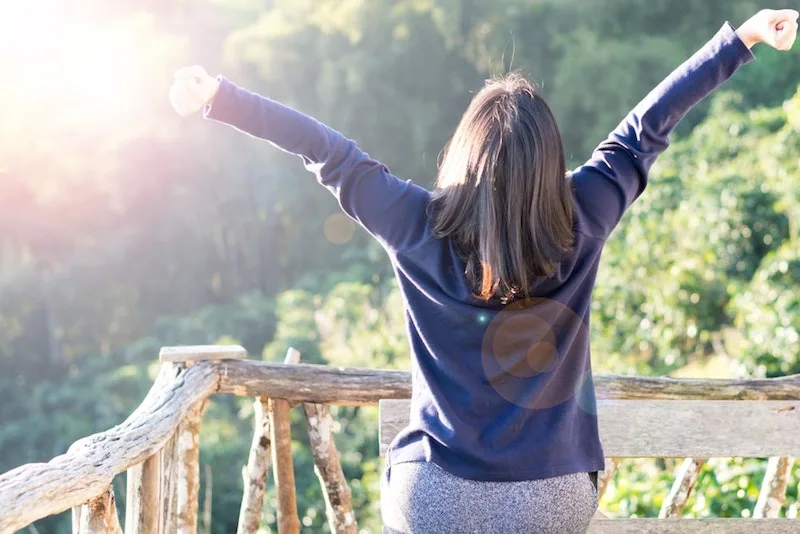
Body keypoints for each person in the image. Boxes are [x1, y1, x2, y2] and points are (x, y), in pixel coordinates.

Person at [170, 8, 798, 533]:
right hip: (553, 501)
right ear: (549, 159)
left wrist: (221, 98)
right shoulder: (584, 214)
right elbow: (643, 131)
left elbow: (326, 151)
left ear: (463, 154)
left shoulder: (415, 223)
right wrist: (739, 40)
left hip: (435, 499)